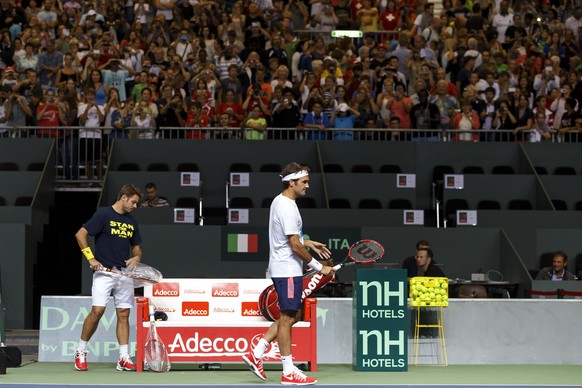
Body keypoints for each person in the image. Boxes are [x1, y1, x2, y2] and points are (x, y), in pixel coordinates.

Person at [242, 162, 334, 385]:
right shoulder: (287, 207)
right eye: (304, 182)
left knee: (292, 316)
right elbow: (293, 245)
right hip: (287, 269)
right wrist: (318, 267)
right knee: (287, 317)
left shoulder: (280, 201)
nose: (308, 186)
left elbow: (290, 239)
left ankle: (258, 351)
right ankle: (288, 370)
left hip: (284, 268)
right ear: (291, 182)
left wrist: (309, 243)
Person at [74, 184, 144, 372]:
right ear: (124, 198)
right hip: (103, 273)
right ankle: (81, 351)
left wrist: (136, 258)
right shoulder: (104, 215)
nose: (135, 206)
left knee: (124, 314)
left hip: (124, 275)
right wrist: (90, 257)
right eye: (134, 202)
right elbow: (80, 234)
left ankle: (123, 358)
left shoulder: (132, 222)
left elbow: (136, 248)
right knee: (97, 311)